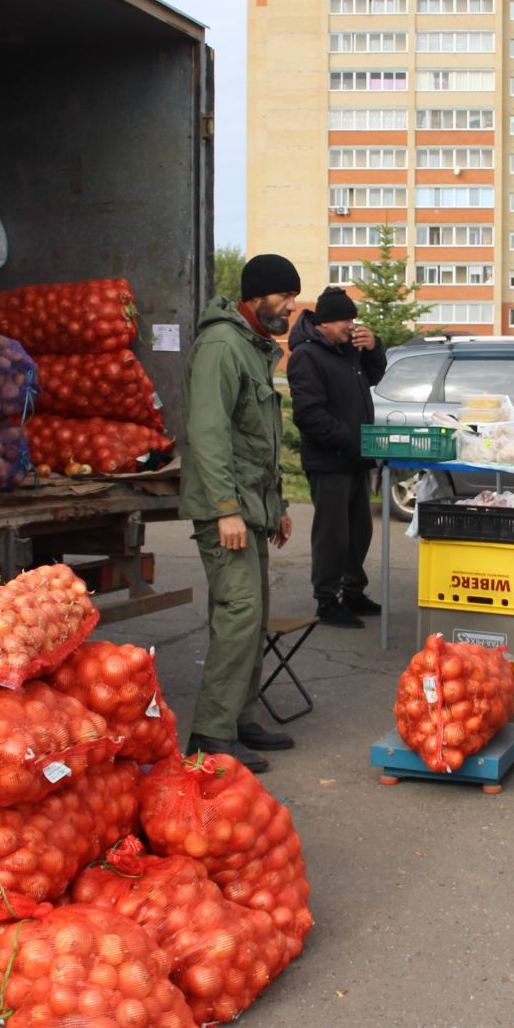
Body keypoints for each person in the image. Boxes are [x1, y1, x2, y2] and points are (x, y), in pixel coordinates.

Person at [178, 254, 301, 772]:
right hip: (225, 509)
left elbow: (259, 439)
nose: (292, 306)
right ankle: (210, 736)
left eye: (293, 297)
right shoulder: (222, 347)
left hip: (252, 508)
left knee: (251, 619)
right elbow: (208, 435)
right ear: (254, 297)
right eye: (284, 296)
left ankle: (240, 719)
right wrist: (226, 509)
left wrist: (278, 506)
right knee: (238, 616)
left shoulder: (252, 348)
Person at [287, 286, 387, 628]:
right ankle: (327, 600)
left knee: (359, 531)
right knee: (333, 534)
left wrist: (374, 348)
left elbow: (374, 376)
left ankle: (353, 591)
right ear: (325, 323)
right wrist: (348, 440)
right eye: (345, 318)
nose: (351, 325)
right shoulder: (307, 356)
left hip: (355, 458)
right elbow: (309, 415)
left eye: (352, 318)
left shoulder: (347, 352)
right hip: (329, 461)